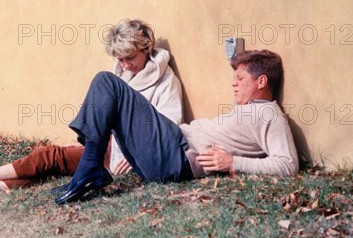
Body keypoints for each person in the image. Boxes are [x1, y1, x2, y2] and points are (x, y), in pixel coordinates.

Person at [0, 19, 184, 202]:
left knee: (48, 158)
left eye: (131, 58)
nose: (126, 65)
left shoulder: (166, 80)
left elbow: (169, 127)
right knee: (47, 162)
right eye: (120, 60)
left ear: (146, 49)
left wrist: (132, 150)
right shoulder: (123, 76)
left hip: (129, 157)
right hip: (106, 148)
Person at [54, 49, 299, 204]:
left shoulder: (269, 113)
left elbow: (288, 164)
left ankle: (89, 168)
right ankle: (90, 168)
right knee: (108, 89)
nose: (234, 84)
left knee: (107, 83)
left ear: (262, 81)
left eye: (240, 79)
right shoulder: (250, 109)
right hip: (170, 149)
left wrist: (234, 163)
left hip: (176, 155)